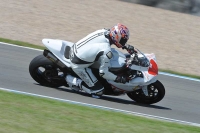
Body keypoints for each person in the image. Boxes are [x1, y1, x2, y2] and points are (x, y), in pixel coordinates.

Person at [65, 23, 136, 98]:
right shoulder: (106, 50)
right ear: (116, 37)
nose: (124, 42)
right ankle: (72, 80)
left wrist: (126, 46)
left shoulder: (104, 31)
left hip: (76, 49)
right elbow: (103, 73)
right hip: (78, 65)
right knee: (98, 91)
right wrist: (118, 78)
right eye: (123, 40)